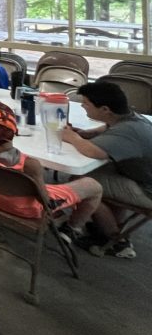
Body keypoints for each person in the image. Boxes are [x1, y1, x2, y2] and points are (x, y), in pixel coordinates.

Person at [0, 106, 103, 239]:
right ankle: (71, 229)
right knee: (93, 186)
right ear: (15, 130)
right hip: (26, 209)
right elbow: (45, 200)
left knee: (37, 185)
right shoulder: (29, 164)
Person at [61, 81, 152, 258]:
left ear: (105, 109)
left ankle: (117, 242)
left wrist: (71, 137)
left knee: (83, 183)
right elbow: (109, 128)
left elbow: (94, 151)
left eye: (86, 103)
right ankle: (108, 226)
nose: (82, 106)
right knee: (96, 176)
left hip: (147, 190)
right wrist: (88, 134)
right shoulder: (131, 118)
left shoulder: (128, 131)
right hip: (140, 178)